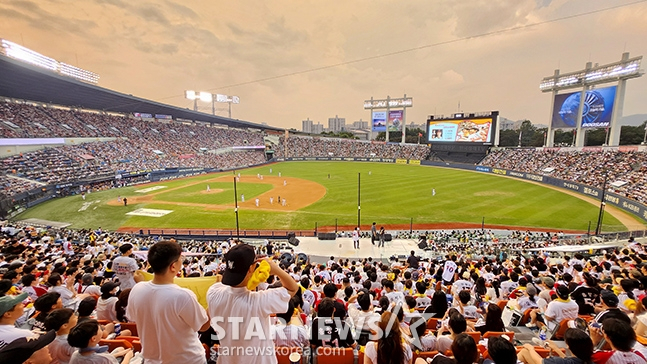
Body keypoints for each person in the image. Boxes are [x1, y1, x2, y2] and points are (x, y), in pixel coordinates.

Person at [207, 243, 298, 364]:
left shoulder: (213, 292)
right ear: (252, 268)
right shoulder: (259, 301)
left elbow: (228, 287)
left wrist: (249, 282)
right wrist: (276, 270)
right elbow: (293, 288)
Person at [128, 240, 210, 364]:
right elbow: (203, 326)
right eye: (180, 259)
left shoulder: (137, 289)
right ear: (173, 266)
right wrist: (214, 300)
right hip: (187, 360)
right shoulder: (182, 296)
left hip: (152, 361)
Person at [67, 319, 133, 364]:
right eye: (100, 329)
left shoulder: (75, 355)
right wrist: (128, 356)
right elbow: (104, 359)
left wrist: (117, 354)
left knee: (120, 349)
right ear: (94, 338)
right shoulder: (104, 359)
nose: (103, 329)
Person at [518, 328, 593, 364]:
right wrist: (557, 349)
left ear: (568, 345)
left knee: (525, 351)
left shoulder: (557, 362)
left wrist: (530, 348)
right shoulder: (589, 361)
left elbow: (539, 361)